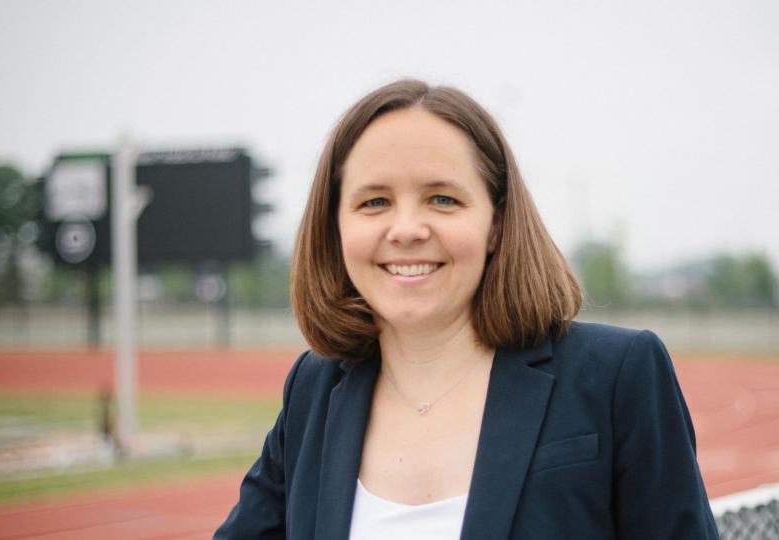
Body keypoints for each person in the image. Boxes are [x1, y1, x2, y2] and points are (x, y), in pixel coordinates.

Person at [215, 79, 719, 539]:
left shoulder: (618, 375)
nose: (407, 228)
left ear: (496, 223)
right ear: (336, 226)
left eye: (442, 199)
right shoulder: (315, 387)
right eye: (374, 202)